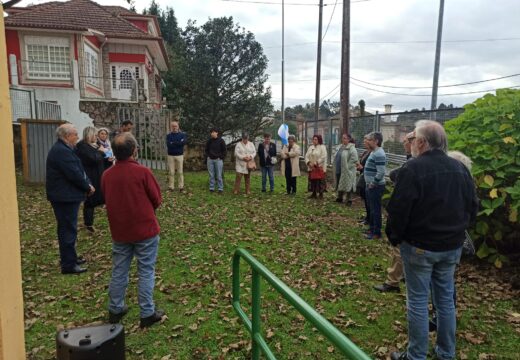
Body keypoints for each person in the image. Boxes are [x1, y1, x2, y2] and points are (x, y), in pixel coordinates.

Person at [386, 121, 478, 360]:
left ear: (422, 142)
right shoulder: (460, 169)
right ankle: (446, 353)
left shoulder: (413, 169)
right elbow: (472, 208)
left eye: (414, 138)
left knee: (417, 301)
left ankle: (416, 355)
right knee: (445, 301)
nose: (412, 142)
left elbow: (398, 209)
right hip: (450, 247)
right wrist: (456, 232)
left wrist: (395, 237)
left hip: (419, 247)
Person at [102, 132, 165, 328]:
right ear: (135, 150)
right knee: (146, 270)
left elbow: (107, 198)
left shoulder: (106, 175)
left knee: (119, 269)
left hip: (120, 230)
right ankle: (147, 312)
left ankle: (115, 308)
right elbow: (157, 198)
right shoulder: (143, 172)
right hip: (144, 229)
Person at [46, 123, 94, 274]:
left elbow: (78, 169)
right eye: (75, 134)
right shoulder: (62, 151)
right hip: (64, 197)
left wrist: (87, 183)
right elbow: (73, 173)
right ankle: (68, 264)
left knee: (68, 228)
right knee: (68, 229)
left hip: (66, 195)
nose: (77, 137)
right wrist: (87, 187)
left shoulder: (65, 149)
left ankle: (71, 257)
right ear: (67, 136)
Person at [374, 131, 414, 293]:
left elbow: (396, 176)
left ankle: (392, 281)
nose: (403, 144)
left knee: (399, 248)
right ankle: (402, 275)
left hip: (408, 217)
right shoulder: (411, 160)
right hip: (412, 217)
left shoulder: (415, 164)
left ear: (414, 142)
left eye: (405, 141)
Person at [76, 126, 107, 233]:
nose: (96, 137)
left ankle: (89, 223)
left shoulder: (93, 146)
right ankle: (88, 224)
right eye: (95, 135)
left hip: (97, 176)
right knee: (89, 201)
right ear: (89, 135)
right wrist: (101, 152)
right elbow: (93, 159)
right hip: (90, 177)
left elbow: (99, 159)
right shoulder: (82, 147)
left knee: (94, 200)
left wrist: (107, 158)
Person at [363, 132, 386, 239]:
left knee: (375, 210)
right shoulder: (374, 152)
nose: (368, 141)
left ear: (376, 141)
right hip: (370, 186)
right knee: (372, 209)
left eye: (370, 140)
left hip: (375, 187)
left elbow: (381, 172)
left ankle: (376, 233)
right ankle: (372, 229)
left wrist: (373, 183)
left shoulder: (379, 153)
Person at [334, 133, 359, 206]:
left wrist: (348, 166)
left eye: (345, 138)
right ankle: (340, 197)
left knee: (349, 184)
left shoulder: (351, 148)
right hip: (339, 168)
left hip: (348, 170)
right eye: (342, 138)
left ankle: (349, 200)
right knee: (339, 182)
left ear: (349, 139)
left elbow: (354, 159)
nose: (343, 139)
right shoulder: (340, 147)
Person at [166, 121, 187, 192]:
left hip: (179, 155)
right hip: (170, 156)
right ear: (171, 127)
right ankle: (171, 187)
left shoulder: (182, 135)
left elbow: (183, 143)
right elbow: (169, 145)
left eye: (175, 126)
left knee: (180, 172)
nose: (174, 127)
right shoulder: (168, 136)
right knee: (171, 172)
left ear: (178, 126)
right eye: (173, 126)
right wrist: (178, 143)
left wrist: (173, 143)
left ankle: (181, 187)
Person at [305, 135, 327, 199]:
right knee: (312, 180)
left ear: (319, 140)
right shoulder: (310, 147)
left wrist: (316, 163)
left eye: (316, 139)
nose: (314, 141)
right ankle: (313, 193)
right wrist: (308, 162)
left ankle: (321, 193)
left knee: (320, 180)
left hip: (319, 167)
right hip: (311, 167)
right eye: (313, 139)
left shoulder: (322, 147)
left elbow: (323, 157)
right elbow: (306, 156)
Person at [205, 128, 227, 193]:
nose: (212, 133)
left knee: (219, 175)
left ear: (217, 133)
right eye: (211, 132)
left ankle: (220, 188)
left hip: (218, 160)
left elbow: (224, 151)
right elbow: (206, 150)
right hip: (210, 160)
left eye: (214, 132)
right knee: (211, 175)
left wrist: (221, 157)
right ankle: (211, 188)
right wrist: (208, 156)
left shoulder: (221, 141)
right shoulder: (209, 141)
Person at [356, 136, 372, 225]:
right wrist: (359, 167)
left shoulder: (373, 153)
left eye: (366, 141)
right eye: (364, 141)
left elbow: (372, 167)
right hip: (363, 176)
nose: (364, 142)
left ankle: (369, 218)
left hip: (368, 179)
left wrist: (363, 167)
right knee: (365, 199)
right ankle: (367, 216)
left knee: (368, 200)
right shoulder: (366, 152)